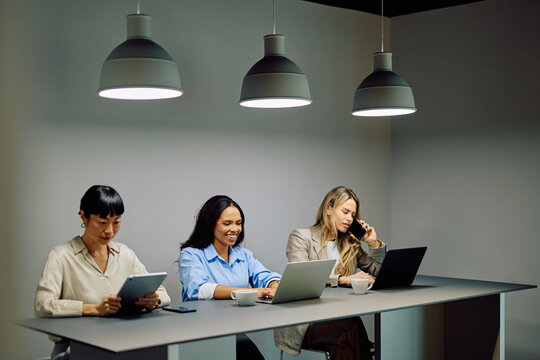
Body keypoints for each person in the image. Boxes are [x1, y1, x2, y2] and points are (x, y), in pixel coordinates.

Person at [35, 185, 171, 360]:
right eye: (102, 222)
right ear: (84, 216)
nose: (110, 231)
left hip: (121, 342)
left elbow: (163, 293)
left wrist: (154, 300)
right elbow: (42, 305)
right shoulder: (61, 256)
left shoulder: (125, 254)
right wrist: (92, 309)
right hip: (76, 346)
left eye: (116, 221)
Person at [274, 186, 386, 360]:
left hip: (336, 317)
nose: (350, 219)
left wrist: (372, 243)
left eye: (353, 215)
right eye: (345, 212)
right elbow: (302, 277)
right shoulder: (301, 237)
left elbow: (378, 272)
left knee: (346, 342)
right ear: (329, 208)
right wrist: (342, 280)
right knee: (351, 329)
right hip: (304, 321)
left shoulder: (349, 244)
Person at [179, 195, 281, 360]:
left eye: (238, 223)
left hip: (232, 330)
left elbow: (265, 276)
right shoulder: (191, 254)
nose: (235, 229)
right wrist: (251, 292)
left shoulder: (243, 255)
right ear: (210, 224)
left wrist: (274, 285)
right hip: (201, 331)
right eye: (227, 223)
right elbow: (198, 289)